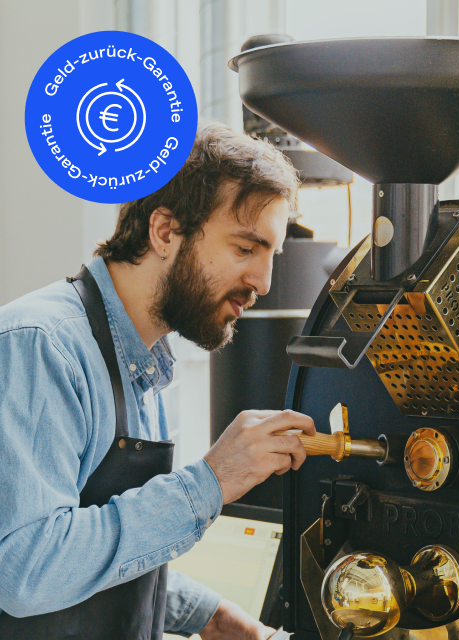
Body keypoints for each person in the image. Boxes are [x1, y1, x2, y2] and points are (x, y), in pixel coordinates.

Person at [0, 120, 315, 639]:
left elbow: (95, 544)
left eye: (271, 256)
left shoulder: (142, 362)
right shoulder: (43, 344)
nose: (263, 281)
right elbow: (28, 568)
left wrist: (207, 614)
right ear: (165, 231)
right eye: (245, 248)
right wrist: (211, 480)